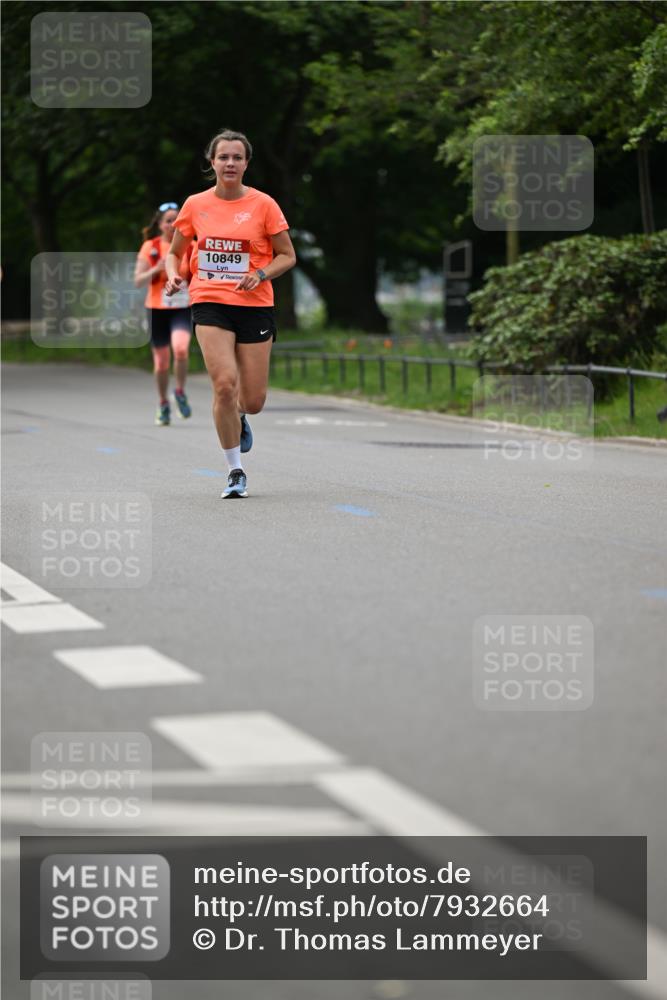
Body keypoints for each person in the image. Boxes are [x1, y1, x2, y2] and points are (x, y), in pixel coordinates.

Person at [164, 129, 296, 498]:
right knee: (224, 384)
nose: (230, 163)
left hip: (255, 305)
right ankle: (235, 470)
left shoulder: (264, 205)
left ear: (246, 164)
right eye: (224, 157)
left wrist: (259, 273)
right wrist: (175, 274)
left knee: (252, 400)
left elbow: (287, 255)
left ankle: (239, 416)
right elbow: (175, 252)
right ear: (212, 162)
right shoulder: (195, 204)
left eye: (237, 157)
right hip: (210, 301)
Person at [135, 203, 193, 426]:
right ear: (160, 224)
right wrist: (157, 268)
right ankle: (163, 403)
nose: (172, 224)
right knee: (161, 363)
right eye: (168, 220)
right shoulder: (150, 246)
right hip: (157, 309)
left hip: (181, 307)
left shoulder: (191, 245)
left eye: (176, 220)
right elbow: (138, 281)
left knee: (180, 349)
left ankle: (179, 391)